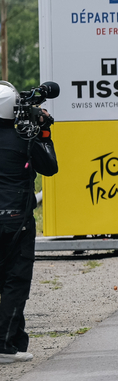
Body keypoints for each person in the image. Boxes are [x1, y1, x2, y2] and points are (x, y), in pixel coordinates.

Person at [0, 81, 58, 363]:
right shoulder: (24, 137)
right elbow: (50, 167)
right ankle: (6, 344)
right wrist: (44, 133)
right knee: (16, 280)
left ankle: (17, 340)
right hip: (16, 219)